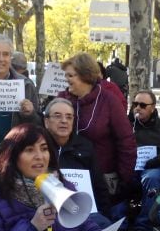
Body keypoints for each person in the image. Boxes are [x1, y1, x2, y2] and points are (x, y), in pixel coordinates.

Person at [57, 53, 136, 213]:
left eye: (71, 75)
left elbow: (126, 141)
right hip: (68, 175)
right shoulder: (62, 99)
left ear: (85, 75)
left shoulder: (109, 101)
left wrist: (122, 178)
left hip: (102, 178)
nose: (67, 79)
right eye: (65, 75)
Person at [43, 98, 112, 223]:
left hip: (84, 213)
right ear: (46, 122)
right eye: (57, 116)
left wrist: (103, 214)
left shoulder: (85, 147)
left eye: (69, 117)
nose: (64, 121)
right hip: (48, 213)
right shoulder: (38, 148)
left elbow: (99, 186)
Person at [129, 90, 160, 231]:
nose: (138, 108)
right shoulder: (127, 125)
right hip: (129, 165)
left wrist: (156, 160)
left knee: (152, 178)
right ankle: (118, 224)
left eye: (143, 105)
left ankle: (144, 225)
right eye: (135, 104)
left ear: (153, 108)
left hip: (153, 167)